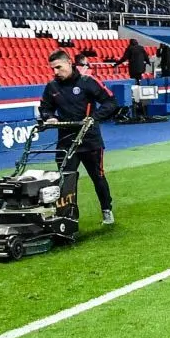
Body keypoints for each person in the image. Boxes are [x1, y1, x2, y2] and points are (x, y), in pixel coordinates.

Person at [39, 50, 119, 226]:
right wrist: (48, 117)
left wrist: (94, 118)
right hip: (66, 140)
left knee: (97, 177)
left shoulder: (87, 81)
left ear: (69, 62)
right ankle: (68, 217)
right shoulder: (52, 87)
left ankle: (107, 209)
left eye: (59, 67)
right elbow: (45, 107)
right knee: (65, 179)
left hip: (90, 139)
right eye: (53, 68)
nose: (56, 72)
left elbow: (111, 102)